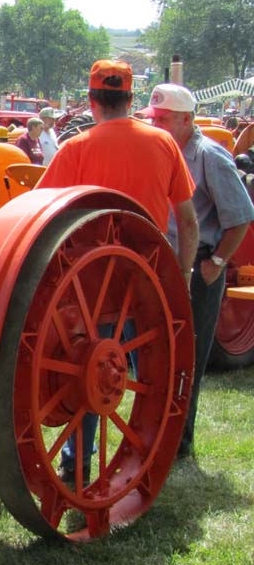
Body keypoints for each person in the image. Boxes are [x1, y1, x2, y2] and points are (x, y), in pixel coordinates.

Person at [36, 60, 199, 484]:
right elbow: (188, 220)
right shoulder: (164, 144)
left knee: (85, 369)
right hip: (145, 280)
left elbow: (34, 214)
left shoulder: (76, 148)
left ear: (93, 101)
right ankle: (157, 447)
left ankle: (78, 460)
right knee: (152, 373)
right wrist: (180, 277)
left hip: (91, 285)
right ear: (130, 99)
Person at [145, 83, 254, 460]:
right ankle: (155, 434)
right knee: (161, 352)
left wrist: (217, 263)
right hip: (167, 263)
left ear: (187, 120)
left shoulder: (210, 157)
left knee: (188, 353)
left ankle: (180, 442)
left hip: (199, 265)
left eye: (164, 119)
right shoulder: (164, 151)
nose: (156, 124)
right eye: (153, 118)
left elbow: (241, 217)